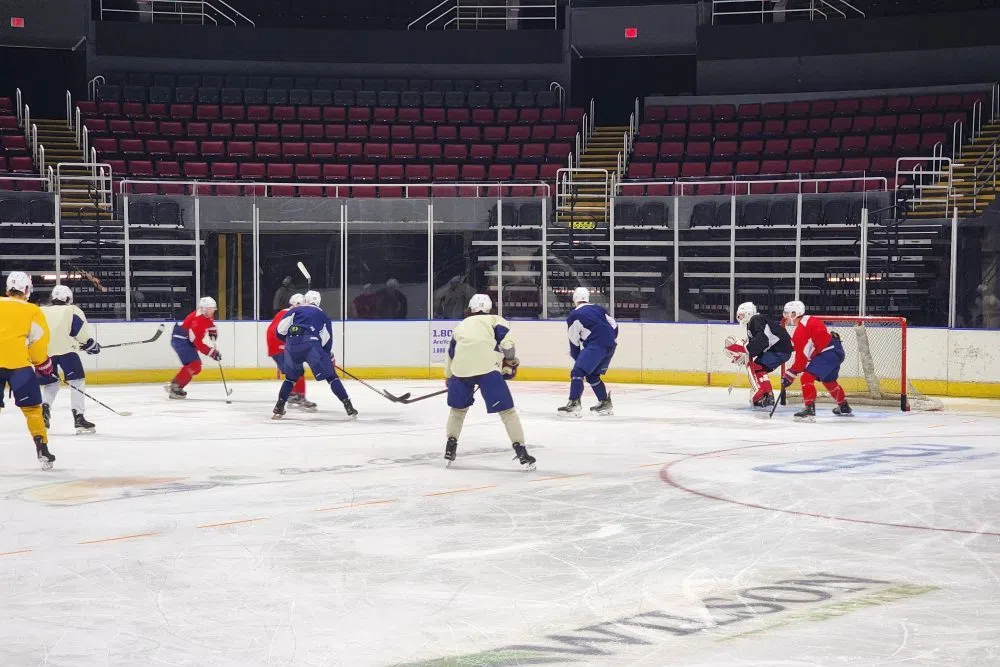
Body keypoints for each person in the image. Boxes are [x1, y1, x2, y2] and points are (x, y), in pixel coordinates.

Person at [444, 293, 535, 470]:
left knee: (458, 411)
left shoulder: (461, 325)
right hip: (487, 370)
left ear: (470, 308)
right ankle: (521, 451)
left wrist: (449, 376)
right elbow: (508, 345)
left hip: (460, 371)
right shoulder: (495, 320)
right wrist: (510, 362)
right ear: (489, 308)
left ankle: (450, 447)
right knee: (507, 413)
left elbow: (451, 353)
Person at [0, 271, 56, 469]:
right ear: (26, 289)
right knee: (32, 410)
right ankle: (42, 448)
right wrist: (42, 363)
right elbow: (38, 341)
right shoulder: (32, 310)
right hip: (19, 366)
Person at [272, 290, 356, 419]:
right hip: (312, 346)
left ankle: (279, 407)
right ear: (318, 302)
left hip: (291, 347)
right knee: (331, 377)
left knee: (290, 379)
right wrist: (326, 355)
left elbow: (279, 331)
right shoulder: (322, 315)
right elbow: (327, 339)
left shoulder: (295, 310)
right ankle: (348, 405)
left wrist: (291, 342)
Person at [40, 285, 101, 434]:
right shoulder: (73, 310)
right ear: (68, 298)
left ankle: (44, 410)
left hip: (45, 353)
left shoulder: (41, 310)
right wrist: (90, 345)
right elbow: (81, 334)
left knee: (51, 383)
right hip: (67, 351)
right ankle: (79, 417)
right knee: (77, 381)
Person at [780, 300, 852, 422]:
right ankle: (843, 406)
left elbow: (801, 360)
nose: (785, 316)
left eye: (787, 313)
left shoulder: (800, 331)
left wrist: (790, 374)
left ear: (794, 313)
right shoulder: (810, 319)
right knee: (829, 381)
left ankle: (809, 409)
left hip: (828, 353)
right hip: (836, 351)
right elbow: (814, 343)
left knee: (806, 378)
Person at [558, 287, 619, 417]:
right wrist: (609, 338)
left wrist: (578, 359)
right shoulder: (599, 309)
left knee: (577, 372)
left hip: (596, 345)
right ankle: (604, 403)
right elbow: (614, 325)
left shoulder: (574, 315)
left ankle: (574, 404)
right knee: (592, 376)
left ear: (574, 299)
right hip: (610, 345)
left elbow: (573, 340)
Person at [724, 301, 792, 408]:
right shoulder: (753, 322)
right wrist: (746, 352)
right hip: (778, 349)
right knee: (758, 367)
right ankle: (767, 396)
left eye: (741, 315)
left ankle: (767, 396)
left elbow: (762, 341)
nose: (740, 318)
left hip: (779, 349)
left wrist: (746, 349)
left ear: (749, 313)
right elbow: (761, 343)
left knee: (757, 367)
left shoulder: (755, 319)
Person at [267, 293, 315, 410]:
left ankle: (293, 395)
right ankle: (299, 397)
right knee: (297, 371)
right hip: (280, 347)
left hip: (277, 347)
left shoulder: (284, 313)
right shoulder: (292, 314)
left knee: (294, 372)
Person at [166, 296, 221, 399]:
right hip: (181, 340)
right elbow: (197, 343)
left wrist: (212, 330)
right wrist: (211, 352)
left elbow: (209, 322)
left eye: (213, 308)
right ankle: (175, 386)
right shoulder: (197, 321)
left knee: (196, 368)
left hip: (187, 340)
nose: (211, 311)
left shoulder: (207, 314)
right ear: (203, 309)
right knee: (195, 365)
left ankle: (176, 386)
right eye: (209, 309)